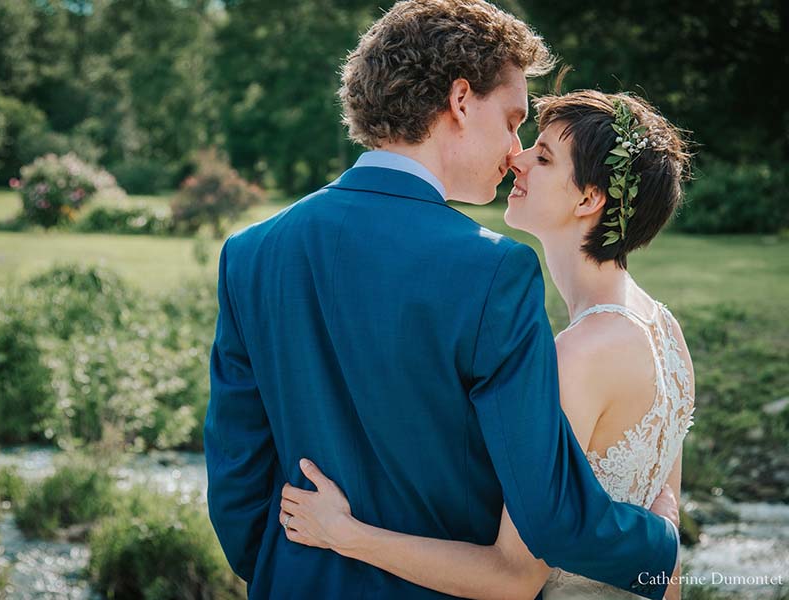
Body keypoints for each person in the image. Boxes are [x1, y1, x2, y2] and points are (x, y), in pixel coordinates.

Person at [204, 1, 681, 598]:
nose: (514, 148)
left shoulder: (250, 252)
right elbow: (546, 508)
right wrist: (660, 547)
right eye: (512, 120)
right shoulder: (493, 270)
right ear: (460, 100)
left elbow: (236, 479)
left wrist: (284, 571)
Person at [279, 89, 694, 600]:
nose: (517, 159)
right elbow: (667, 544)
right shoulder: (664, 328)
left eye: (543, 157)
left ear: (589, 200)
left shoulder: (579, 357)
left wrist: (346, 535)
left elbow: (514, 576)